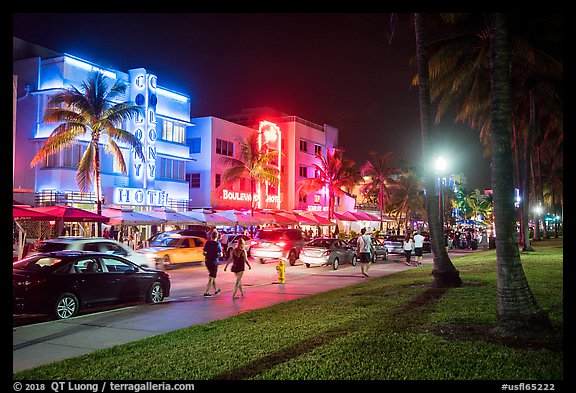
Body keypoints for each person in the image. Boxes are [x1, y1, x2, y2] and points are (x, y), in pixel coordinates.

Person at [202, 230, 223, 297]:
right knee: (211, 277)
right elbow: (221, 254)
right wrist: (217, 255)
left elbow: (204, 253)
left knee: (212, 275)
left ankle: (216, 290)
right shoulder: (217, 244)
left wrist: (208, 255)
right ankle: (206, 292)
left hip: (207, 261)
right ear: (217, 236)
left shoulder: (207, 243)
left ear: (211, 236)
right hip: (214, 261)